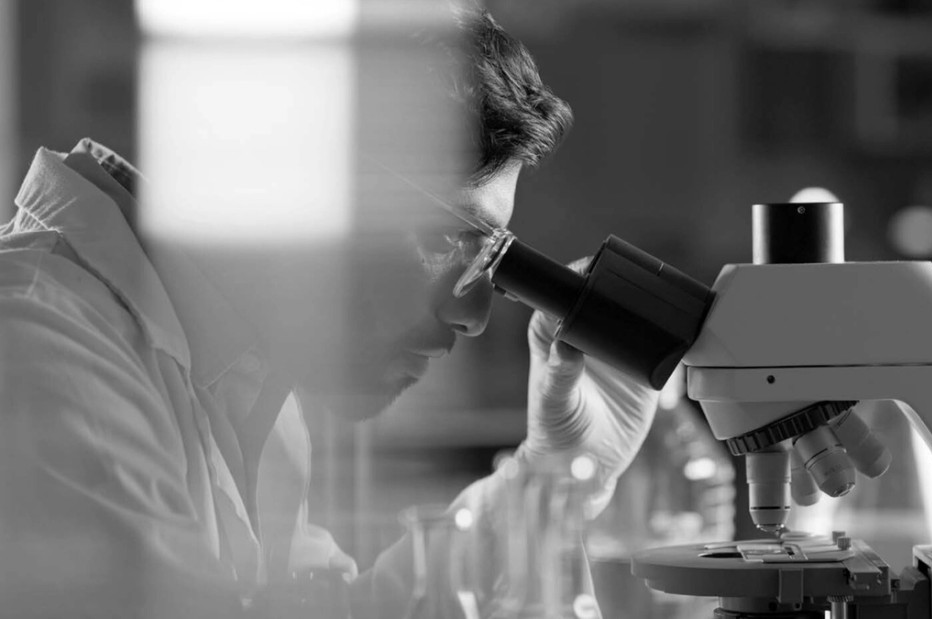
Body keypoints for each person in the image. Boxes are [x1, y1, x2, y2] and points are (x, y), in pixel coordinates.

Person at [0, 5, 658, 618]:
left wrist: (555, 476)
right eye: (454, 237)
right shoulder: (43, 357)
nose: (475, 314)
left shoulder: (243, 374)